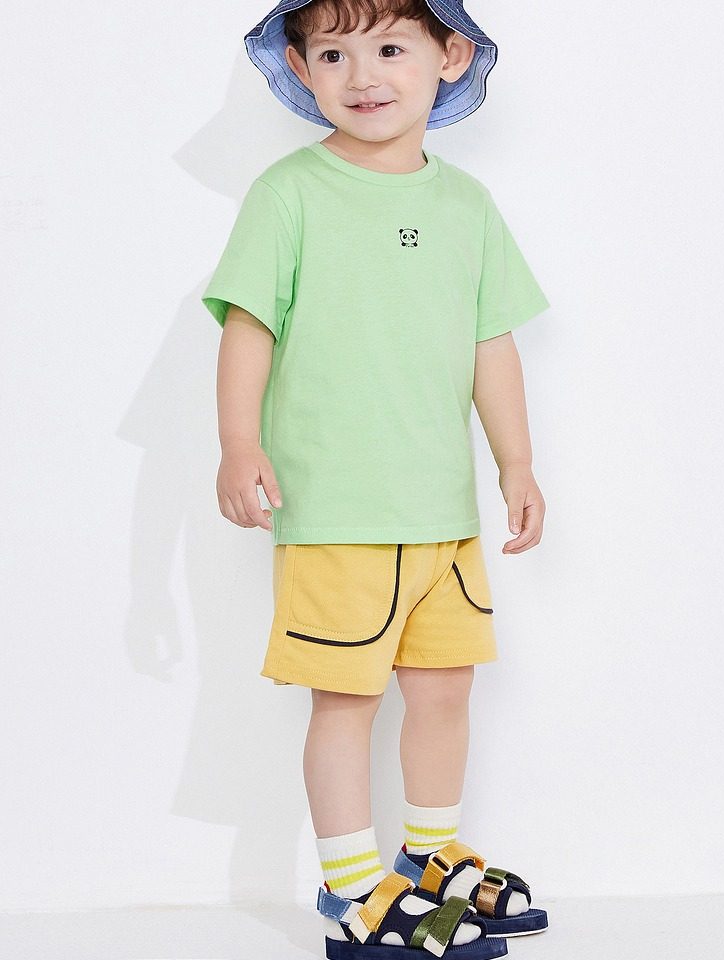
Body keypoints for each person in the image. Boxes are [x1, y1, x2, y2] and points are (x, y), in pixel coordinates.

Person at [202, 1, 551, 956]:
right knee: (346, 701)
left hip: (443, 513)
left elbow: (490, 344)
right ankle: (353, 887)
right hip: (335, 511)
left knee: (444, 689)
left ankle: (428, 864)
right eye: (332, 52)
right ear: (300, 68)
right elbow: (249, 323)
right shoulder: (290, 193)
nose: (363, 75)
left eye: (391, 47)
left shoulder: (466, 205)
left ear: (451, 56)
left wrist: (517, 463)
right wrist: (238, 442)